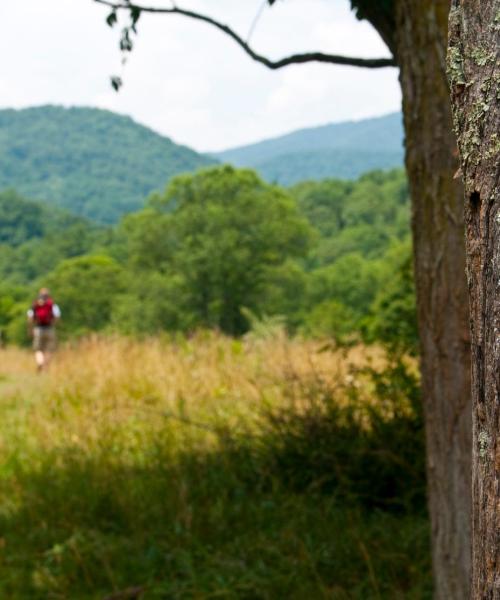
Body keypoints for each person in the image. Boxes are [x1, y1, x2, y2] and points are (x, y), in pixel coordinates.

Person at [27, 288, 61, 372]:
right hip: (50, 328)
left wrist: (30, 329)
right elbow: (57, 317)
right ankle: (46, 366)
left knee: (38, 349)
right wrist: (53, 324)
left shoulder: (35, 305)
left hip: (38, 328)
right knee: (49, 349)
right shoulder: (52, 305)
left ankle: (40, 362)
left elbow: (30, 318)